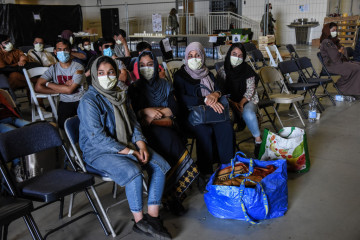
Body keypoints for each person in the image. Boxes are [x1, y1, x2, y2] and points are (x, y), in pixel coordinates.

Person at [78, 56, 172, 239]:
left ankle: (152, 218)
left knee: (160, 165)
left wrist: (141, 145)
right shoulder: (89, 101)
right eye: (101, 73)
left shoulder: (121, 94)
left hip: (127, 143)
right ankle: (139, 221)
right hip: (99, 151)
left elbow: (134, 123)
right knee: (133, 171)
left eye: (111, 72)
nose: (107, 76)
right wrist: (131, 152)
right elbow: (97, 139)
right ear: (95, 76)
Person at [128, 51, 199, 215]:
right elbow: (135, 115)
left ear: (156, 65)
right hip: (146, 132)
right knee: (168, 143)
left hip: (166, 125)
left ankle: (175, 195)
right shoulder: (135, 88)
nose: (147, 68)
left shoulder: (165, 84)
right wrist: (145, 110)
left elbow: (174, 110)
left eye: (150, 64)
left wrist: (151, 114)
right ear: (138, 67)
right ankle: (170, 198)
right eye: (143, 65)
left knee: (173, 139)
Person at [173, 42, 234, 192]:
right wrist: (205, 100)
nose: (194, 59)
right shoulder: (180, 76)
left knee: (225, 126)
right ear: (186, 57)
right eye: (190, 56)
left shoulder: (208, 73)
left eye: (197, 55)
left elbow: (219, 88)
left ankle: (226, 168)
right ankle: (205, 172)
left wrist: (215, 94)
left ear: (203, 56)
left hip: (211, 113)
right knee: (204, 131)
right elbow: (181, 98)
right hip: (190, 115)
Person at [217, 43, 262, 158]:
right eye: (234, 54)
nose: (237, 57)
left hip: (247, 100)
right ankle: (228, 149)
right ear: (229, 54)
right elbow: (220, 91)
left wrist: (241, 103)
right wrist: (233, 103)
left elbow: (250, 89)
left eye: (240, 56)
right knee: (226, 118)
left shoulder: (247, 70)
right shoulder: (222, 71)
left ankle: (258, 141)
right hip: (228, 101)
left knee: (249, 113)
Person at [35, 38, 86, 129]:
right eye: (59, 49)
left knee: (85, 124)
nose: (62, 52)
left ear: (70, 51)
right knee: (63, 126)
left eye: (65, 49)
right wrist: (60, 89)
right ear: (55, 52)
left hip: (81, 100)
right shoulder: (53, 68)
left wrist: (48, 84)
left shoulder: (78, 67)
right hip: (65, 101)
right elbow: (38, 87)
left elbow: (69, 90)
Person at [320, 22, 360, 95]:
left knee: (358, 65)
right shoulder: (326, 42)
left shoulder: (334, 41)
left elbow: (342, 50)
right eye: (333, 30)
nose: (335, 32)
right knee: (356, 68)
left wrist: (341, 51)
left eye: (336, 30)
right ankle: (341, 86)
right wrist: (340, 52)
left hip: (339, 62)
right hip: (332, 65)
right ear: (327, 31)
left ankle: (355, 89)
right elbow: (334, 57)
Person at [0, 90, 30, 182]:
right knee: (14, 134)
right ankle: (17, 166)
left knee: (37, 128)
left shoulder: (2, 93)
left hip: (12, 118)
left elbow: (11, 107)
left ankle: (37, 164)